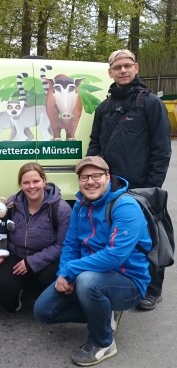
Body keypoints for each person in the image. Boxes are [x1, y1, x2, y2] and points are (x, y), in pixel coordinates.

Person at [34, 156, 152, 366]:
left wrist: (71, 271)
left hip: (129, 280)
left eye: (96, 175)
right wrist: (63, 274)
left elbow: (115, 255)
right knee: (43, 311)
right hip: (88, 275)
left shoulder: (125, 206)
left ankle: (103, 342)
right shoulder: (80, 205)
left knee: (88, 282)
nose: (90, 182)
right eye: (84, 177)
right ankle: (104, 315)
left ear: (108, 177)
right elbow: (70, 245)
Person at [87, 49, 171, 311]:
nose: (122, 70)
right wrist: (92, 173)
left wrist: (152, 186)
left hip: (142, 188)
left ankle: (153, 290)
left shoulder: (150, 103)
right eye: (117, 67)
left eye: (127, 66)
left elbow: (161, 148)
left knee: (149, 239)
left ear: (136, 68)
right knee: (117, 238)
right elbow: (95, 144)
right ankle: (126, 281)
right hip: (110, 188)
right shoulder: (104, 108)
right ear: (110, 72)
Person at [0, 162, 72, 312]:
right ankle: (16, 293)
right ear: (20, 185)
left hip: (45, 259)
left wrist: (32, 262)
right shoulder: (11, 204)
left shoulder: (61, 208)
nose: (31, 186)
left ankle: (41, 298)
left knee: (52, 277)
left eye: (36, 181)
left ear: (44, 181)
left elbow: (62, 245)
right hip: (16, 254)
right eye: (26, 182)